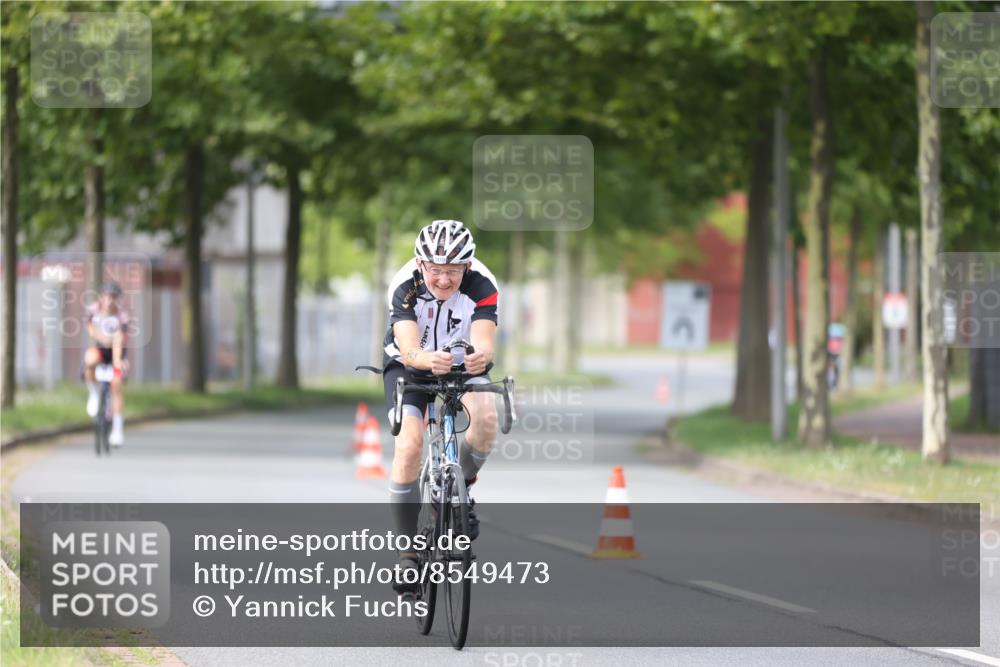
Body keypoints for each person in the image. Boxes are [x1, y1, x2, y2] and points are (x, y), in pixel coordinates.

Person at [382, 219, 499, 593]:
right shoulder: (404, 285)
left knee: (486, 418)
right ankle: (407, 555)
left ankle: (462, 490)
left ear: (467, 266)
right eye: (435, 270)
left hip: (461, 364)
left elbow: (485, 341)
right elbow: (409, 348)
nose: (444, 280)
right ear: (421, 265)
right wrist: (424, 358)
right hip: (409, 364)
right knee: (409, 446)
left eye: (452, 271)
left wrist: (481, 357)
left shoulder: (483, 284)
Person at [84, 282, 130, 446]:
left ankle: (117, 430)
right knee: (89, 360)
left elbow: (120, 339)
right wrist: (102, 338)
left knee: (116, 385)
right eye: (106, 296)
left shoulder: (121, 316)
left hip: (117, 351)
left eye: (113, 297)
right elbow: (90, 328)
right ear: (101, 297)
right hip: (101, 349)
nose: (109, 300)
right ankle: (94, 394)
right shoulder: (93, 310)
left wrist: (118, 362)